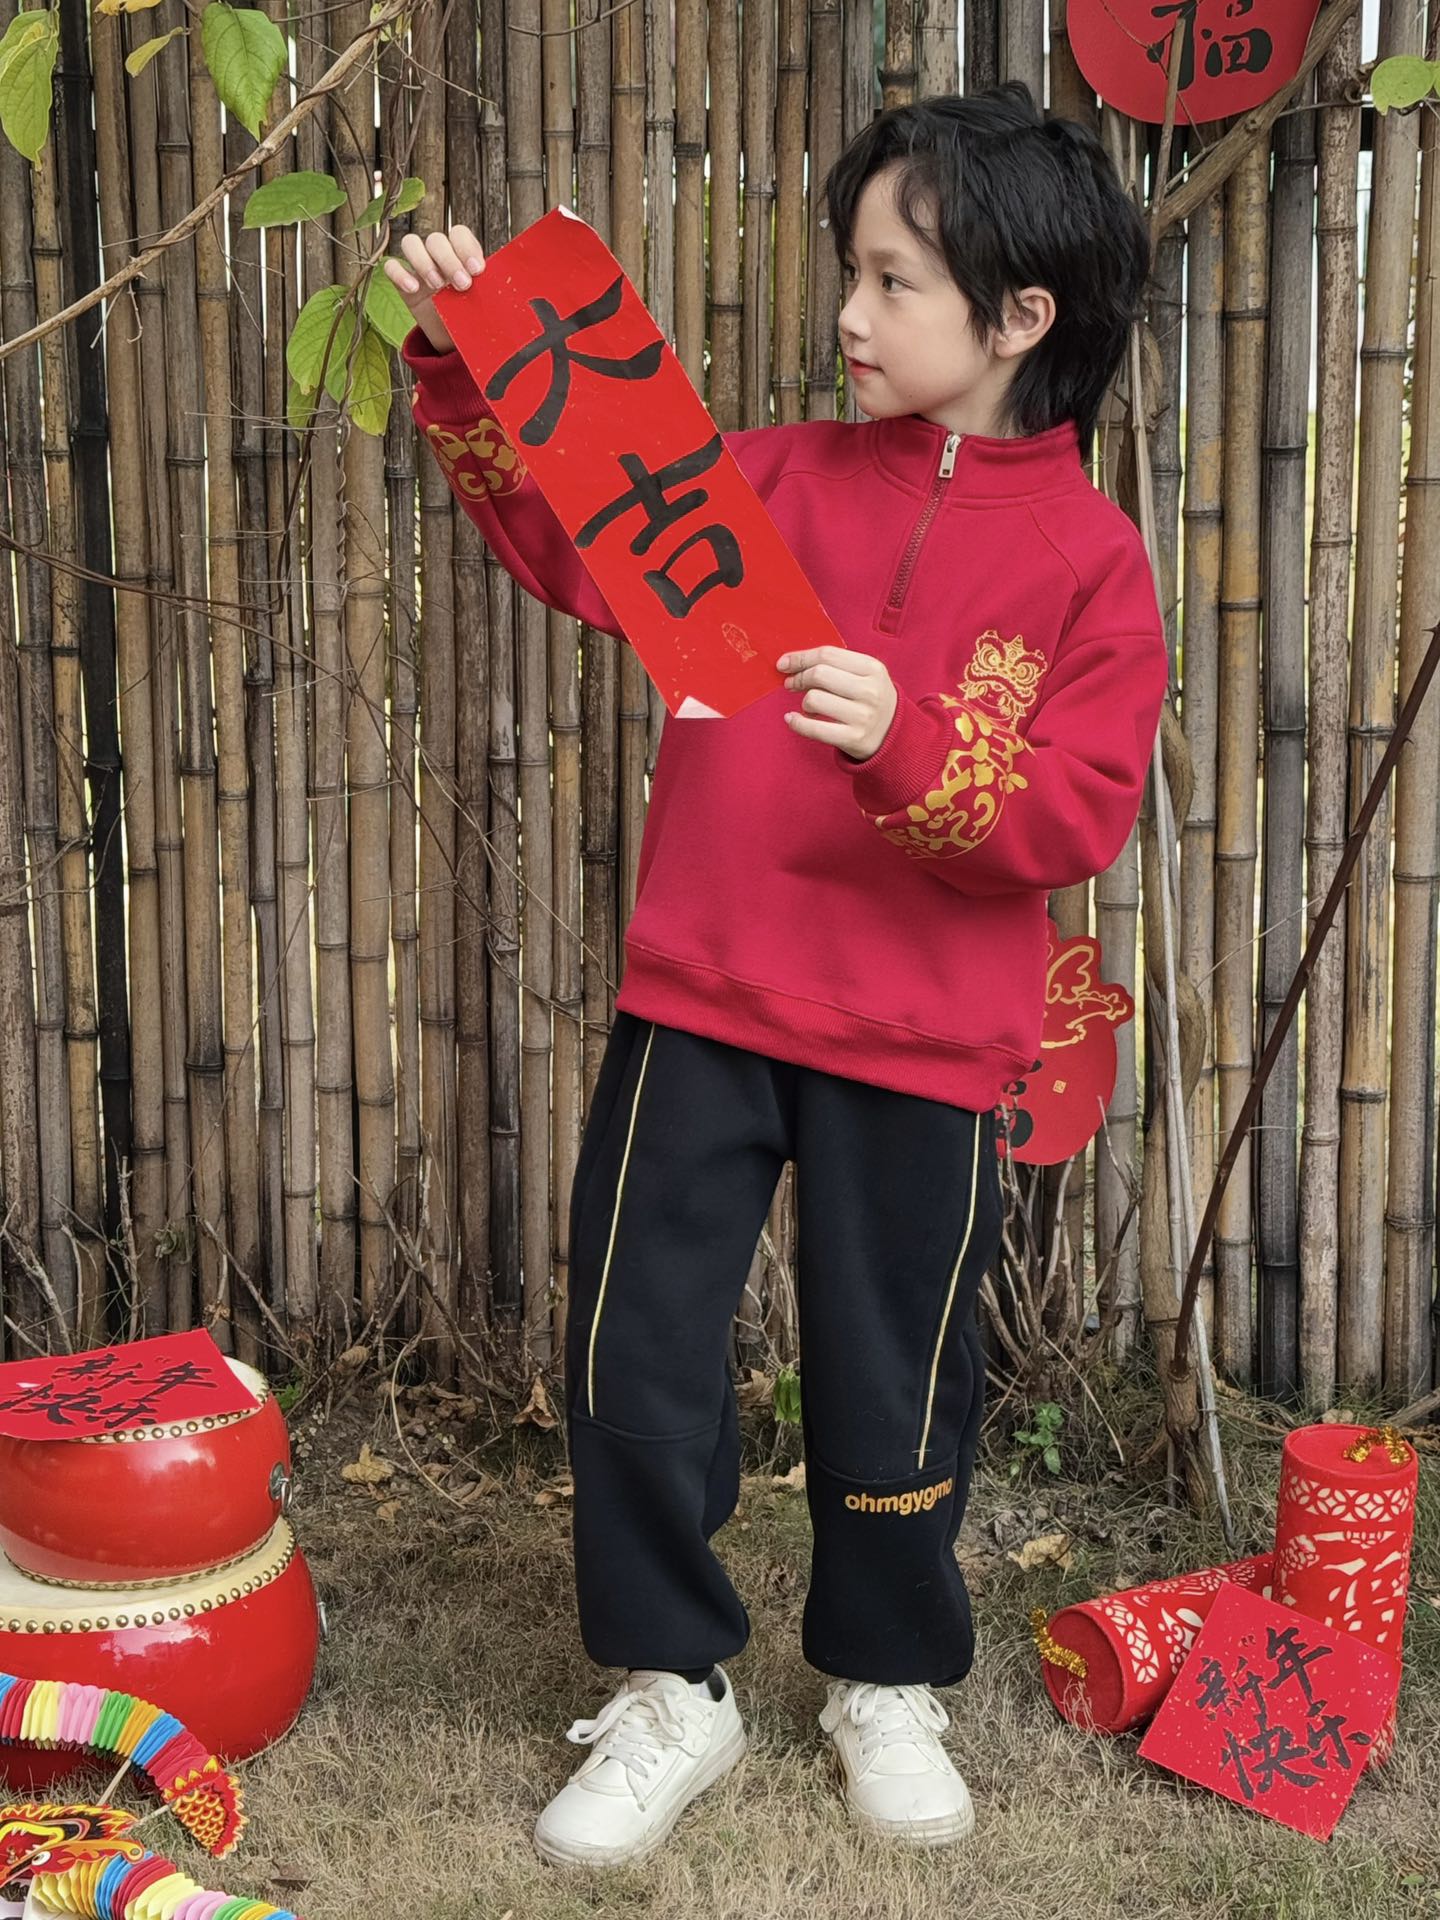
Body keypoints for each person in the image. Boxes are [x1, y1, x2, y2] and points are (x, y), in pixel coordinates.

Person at [386, 80, 1166, 1866]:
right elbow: (574, 548)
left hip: (928, 1042)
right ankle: (674, 1681)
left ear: (1019, 316)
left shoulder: (1095, 569)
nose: (851, 313)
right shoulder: (767, 477)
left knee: (898, 1376)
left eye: (894, 281)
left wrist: (902, 738)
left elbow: (1073, 817)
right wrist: (462, 368)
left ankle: (885, 1677)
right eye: (853, 270)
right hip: (703, 1000)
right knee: (632, 1347)